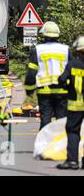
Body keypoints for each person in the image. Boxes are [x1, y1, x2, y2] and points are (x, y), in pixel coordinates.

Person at [24, 21, 73, 130]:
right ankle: (61, 143)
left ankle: (45, 144)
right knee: (62, 119)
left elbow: (31, 73)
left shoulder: (38, 50)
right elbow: (72, 70)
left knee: (45, 118)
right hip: (62, 90)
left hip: (44, 91)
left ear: (44, 35)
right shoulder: (66, 50)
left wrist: (29, 90)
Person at [57, 36, 84, 170]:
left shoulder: (73, 64)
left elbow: (61, 79)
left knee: (73, 132)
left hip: (75, 105)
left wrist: (67, 86)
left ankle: (73, 161)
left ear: (78, 51)